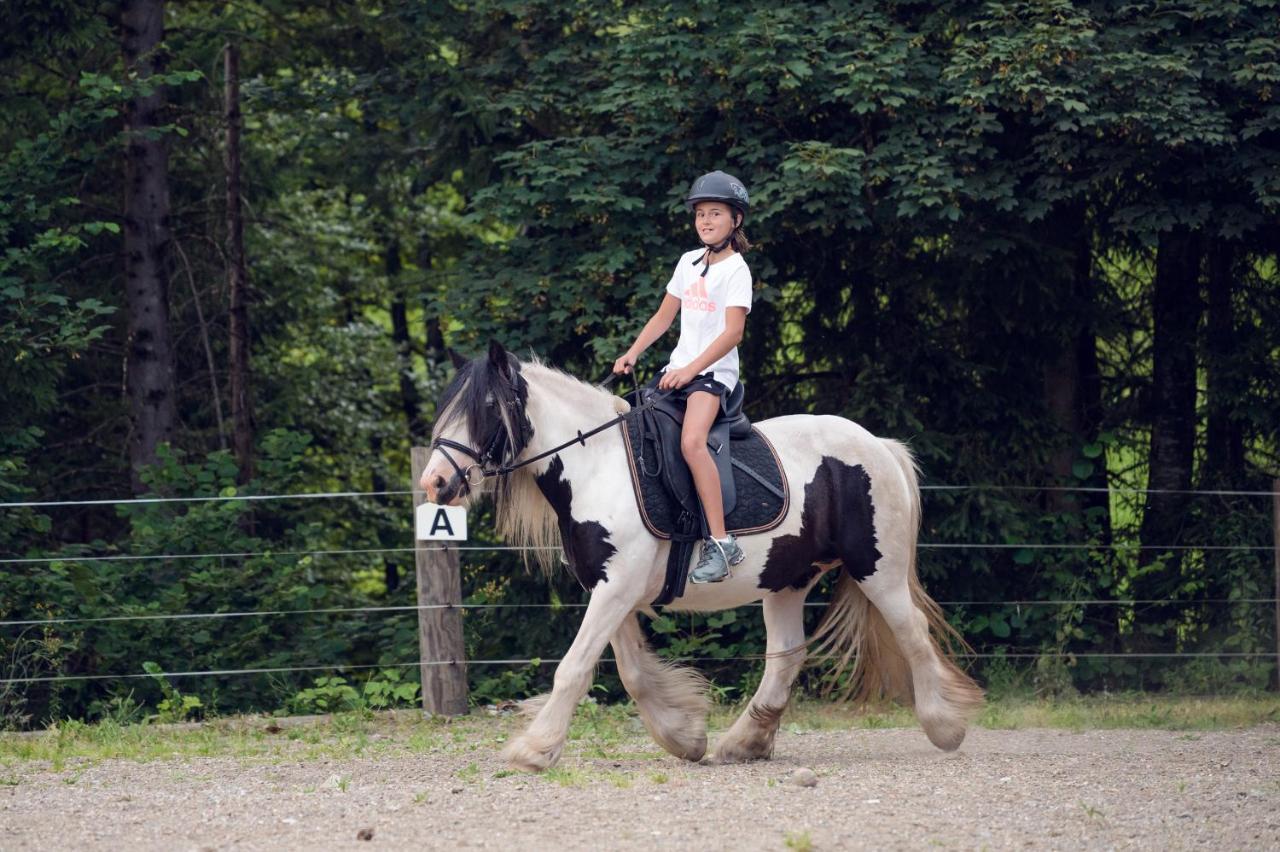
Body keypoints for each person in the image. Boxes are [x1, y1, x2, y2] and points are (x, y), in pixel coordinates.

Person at [613, 170, 753, 583]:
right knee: (635, 430)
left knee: (692, 442)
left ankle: (722, 544)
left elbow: (734, 333)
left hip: (713, 376)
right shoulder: (687, 263)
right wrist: (633, 353)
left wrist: (692, 369)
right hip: (678, 370)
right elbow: (664, 316)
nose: (706, 221)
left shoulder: (736, 271)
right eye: (700, 215)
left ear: (735, 221)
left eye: (715, 214)